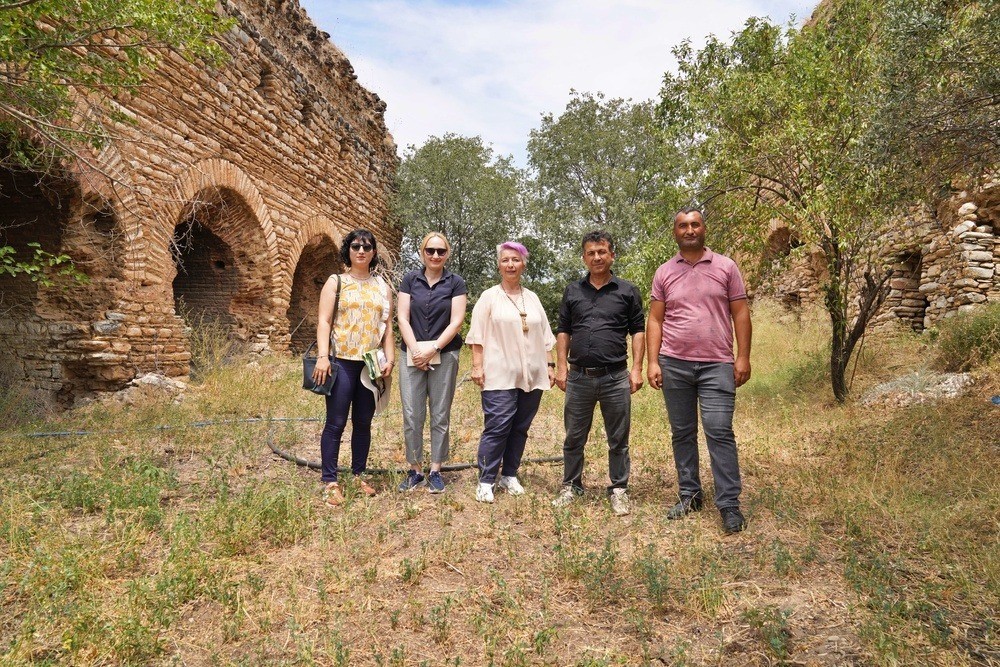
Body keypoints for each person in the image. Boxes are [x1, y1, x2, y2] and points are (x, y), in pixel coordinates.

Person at [646, 207, 752, 534]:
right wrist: (652, 361)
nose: (689, 230)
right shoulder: (664, 272)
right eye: (683, 226)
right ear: (675, 232)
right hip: (673, 364)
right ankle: (690, 494)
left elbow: (741, 314)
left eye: (695, 224)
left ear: (704, 229)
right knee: (682, 433)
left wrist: (743, 357)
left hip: (717, 364)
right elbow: (655, 319)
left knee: (719, 431)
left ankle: (729, 504)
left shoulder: (726, 267)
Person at [552, 230, 645, 516]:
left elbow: (638, 331)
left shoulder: (627, 291)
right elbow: (564, 330)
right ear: (584, 257)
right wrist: (561, 366)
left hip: (616, 377)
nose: (596, 257)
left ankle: (619, 489)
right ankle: (571, 486)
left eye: (602, 252)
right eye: (591, 253)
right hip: (579, 377)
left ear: (611, 255)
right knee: (573, 437)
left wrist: (637, 368)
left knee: (618, 438)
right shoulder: (573, 291)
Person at [466, 241, 556, 503]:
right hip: (499, 373)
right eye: (505, 260)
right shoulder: (489, 297)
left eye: (515, 260)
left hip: (532, 373)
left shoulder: (533, 297)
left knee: (520, 426)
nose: (510, 264)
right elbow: (477, 336)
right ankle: (485, 479)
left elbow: (544, 335)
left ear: (523, 264)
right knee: (498, 426)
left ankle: (510, 474)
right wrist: (476, 366)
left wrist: (549, 365)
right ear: (499, 264)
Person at [312, 229, 395, 506]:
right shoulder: (336, 282)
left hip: (369, 366)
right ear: (348, 250)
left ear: (373, 253)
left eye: (367, 247)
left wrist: (390, 359)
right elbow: (324, 321)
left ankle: (359, 475)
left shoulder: (382, 287)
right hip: (341, 363)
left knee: (363, 423)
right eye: (356, 246)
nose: (361, 251)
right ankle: (330, 481)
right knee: (335, 423)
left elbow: (387, 328)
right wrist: (323, 356)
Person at [396, 232, 468, 493]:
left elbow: (456, 321)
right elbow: (402, 318)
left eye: (440, 251)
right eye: (430, 250)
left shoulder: (455, 282)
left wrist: (433, 349)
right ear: (422, 252)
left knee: (440, 414)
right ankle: (415, 470)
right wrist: (417, 351)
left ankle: (436, 469)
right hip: (411, 354)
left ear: (447, 254)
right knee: (412, 414)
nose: (435, 255)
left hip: (445, 354)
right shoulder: (409, 280)